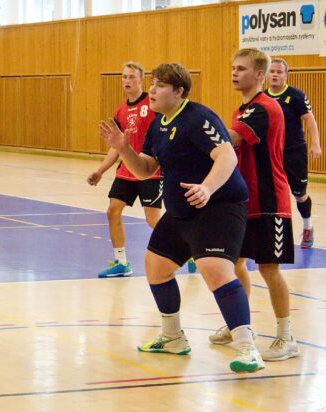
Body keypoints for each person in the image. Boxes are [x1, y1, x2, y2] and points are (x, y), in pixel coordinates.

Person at [99, 63, 264, 373]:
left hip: (218, 207)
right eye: (152, 85)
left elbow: (226, 155)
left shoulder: (198, 117)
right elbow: (146, 170)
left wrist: (207, 188)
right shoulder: (158, 124)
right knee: (156, 267)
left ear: (178, 91)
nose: (151, 90)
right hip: (180, 211)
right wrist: (123, 149)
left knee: (214, 270)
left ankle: (248, 348)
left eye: (159, 86)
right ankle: (173, 336)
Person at [209, 48, 298, 361]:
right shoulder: (243, 108)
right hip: (246, 201)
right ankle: (240, 326)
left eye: (242, 69)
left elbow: (230, 139)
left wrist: (193, 130)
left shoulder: (264, 108)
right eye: (233, 68)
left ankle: (287, 337)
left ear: (259, 74)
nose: (235, 73)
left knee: (269, 269)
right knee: (235, 264)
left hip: (270, 202)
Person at [87, 62, 162, 278]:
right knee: (112, 211)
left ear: (141, 80)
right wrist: (100, 171)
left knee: (153, 220)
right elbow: (117, 148)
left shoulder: (153, 104)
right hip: (126, 171)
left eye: (131, 77)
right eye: (124, 77)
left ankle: (183, 251)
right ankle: (122, 263)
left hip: (150, 170)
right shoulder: (120, 111)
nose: (127, 81)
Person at [266, 58, 323, 248]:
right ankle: (265, 234)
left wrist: (315, 143)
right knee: (267, 193)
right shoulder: (262, 97)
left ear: (285, 75)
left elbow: (309, 119)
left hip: (294, 152)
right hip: (271, 152)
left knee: (299, 194)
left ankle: (308, 227)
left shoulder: (296, 95)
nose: (274, 74)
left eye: (279, 72)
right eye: (271, 71)